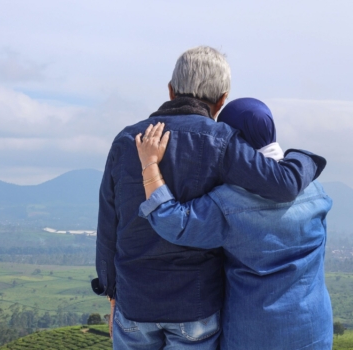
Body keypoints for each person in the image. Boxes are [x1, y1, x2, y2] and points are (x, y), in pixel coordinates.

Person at [92, 46, 327, 349]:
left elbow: (108, 225)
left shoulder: (126, 140)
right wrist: (304, 157)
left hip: (135, 301)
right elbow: (281, 185)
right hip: (195, 304)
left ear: (171, 89)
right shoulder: (222, 141)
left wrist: (112, 295)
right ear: (222, 99)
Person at [136, 98, 333, 349]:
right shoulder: (315, 190)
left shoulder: (231, 200)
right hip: (313, 326)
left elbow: (175, 222)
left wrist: (150, 165)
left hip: (255, 332)